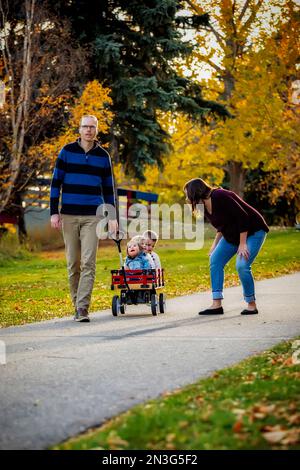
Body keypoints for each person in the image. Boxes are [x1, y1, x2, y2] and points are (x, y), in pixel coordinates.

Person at [50, 115, 118, 322]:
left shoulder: (103, 156)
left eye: (92, 127)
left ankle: (82, 308)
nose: (88, 130)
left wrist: (113, 216)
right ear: (79, 129)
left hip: (92, 217)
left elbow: (108, 189)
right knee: (73, 263)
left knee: (89, 262)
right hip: (69, 215)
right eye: (85, 127)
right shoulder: (67, 152)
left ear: (97, 130)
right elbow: (55, 184)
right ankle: (76, 303)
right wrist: (54, 211)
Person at [184, 178, 269, 316]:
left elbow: (243, 217)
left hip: (254, 231)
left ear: (195, 191)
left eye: (187, 194)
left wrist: (242, 244)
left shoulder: (220, 196)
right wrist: (214, 246)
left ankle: (251, 304)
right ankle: (216, 304)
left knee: (242, 265)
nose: (187, 198)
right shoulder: (203, 205)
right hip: (232, 234)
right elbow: (221, 226)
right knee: (215, 260)